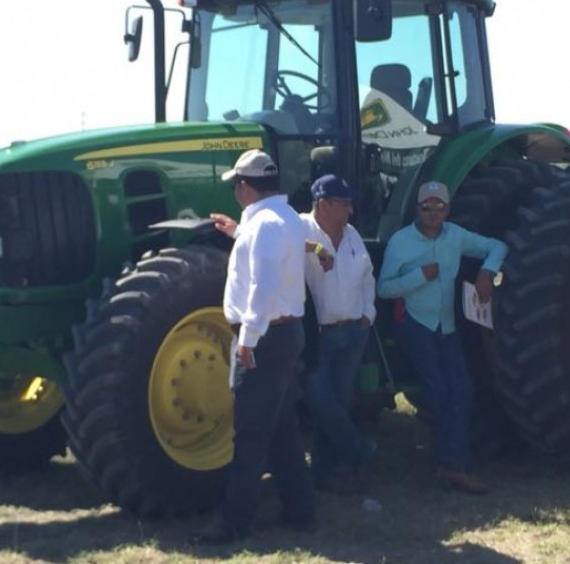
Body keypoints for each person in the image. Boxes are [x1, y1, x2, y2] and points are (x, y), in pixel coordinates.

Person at [194, 149, 315, 545]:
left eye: (236, 186)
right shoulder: (288, 219)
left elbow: (263, 283)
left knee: (250, 434)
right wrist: (236, 232)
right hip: (286, 332)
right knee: (282, 430)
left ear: (245, 187)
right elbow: (271, 254)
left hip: (264, 336)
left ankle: (234, 522)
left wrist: (248, 339)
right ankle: (300, 512)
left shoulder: (264, 226)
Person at [376, 180, 506, 494]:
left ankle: (451, 464)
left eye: (439, 206)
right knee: (439, 392)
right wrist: (422, 276)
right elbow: (384, 288)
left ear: (447, 209)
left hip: (445, 326)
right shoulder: (401, 242)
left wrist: (487, 272)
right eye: (426, 207)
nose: (433, 212)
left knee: (461, 390)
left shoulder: (455, 236)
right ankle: (455, 466)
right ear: (417, 209)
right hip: (415, 324)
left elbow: (497, 246)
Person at [300, 174, 378, 491]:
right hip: (316, 336)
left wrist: (368, 314)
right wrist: (316, 246)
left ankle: (324, 473)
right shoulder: (300, 227)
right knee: (320, 400)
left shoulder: (353, 235)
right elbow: (276, 243)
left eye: (349, 203)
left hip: (353, 332)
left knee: (339, 402)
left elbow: (367, 277)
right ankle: (358, 451)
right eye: (343, 203)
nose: (349, 209)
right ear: (323, 204)